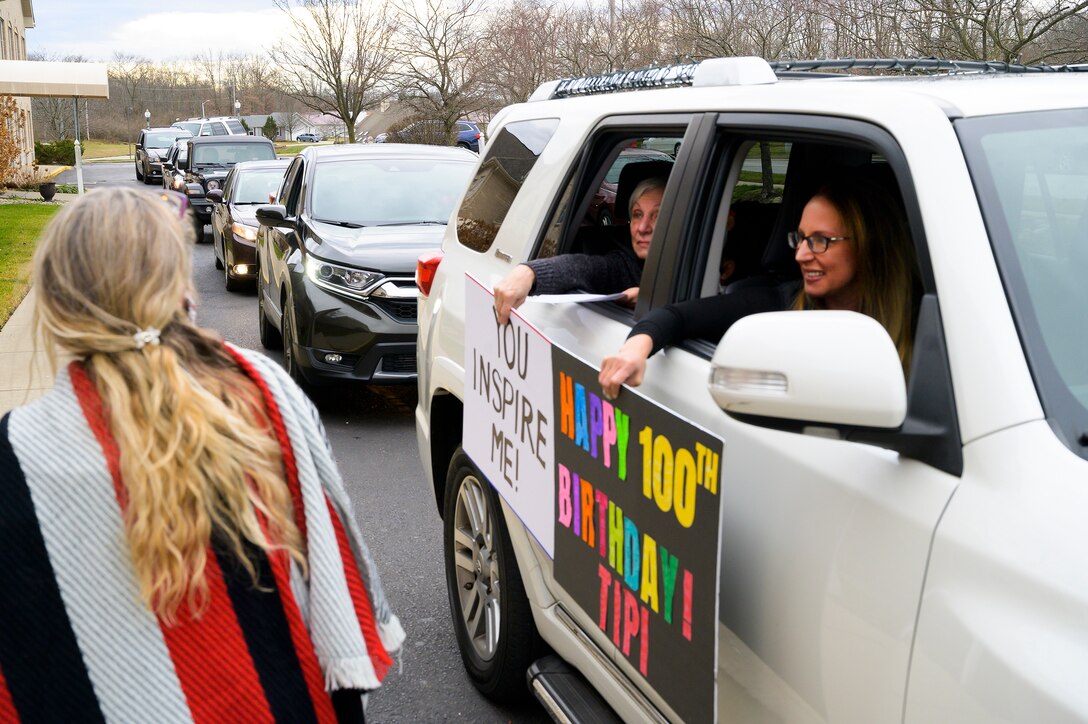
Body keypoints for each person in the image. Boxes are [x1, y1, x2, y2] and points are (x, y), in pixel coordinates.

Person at [0, 188, 404, 722]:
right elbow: (327, 572)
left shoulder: (16, 460)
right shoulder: (262, 392)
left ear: (58, 302)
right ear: (178, 284)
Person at [599, 177, 919, 399]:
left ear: (869, 246)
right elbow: (678, 317)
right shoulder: (783, 301)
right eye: (801, 238)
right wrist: (634, 351)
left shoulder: (927, 324)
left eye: (820, 241)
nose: (801, 255)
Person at [493, 176, 667, 324]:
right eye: (637, 214)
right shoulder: (624, 264)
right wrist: (529, 272)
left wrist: (655, 298)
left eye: (658, 215)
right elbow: (585, 268)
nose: (642, 227)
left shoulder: (694, 270)